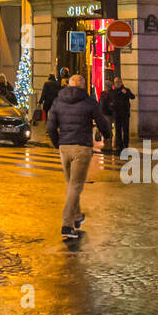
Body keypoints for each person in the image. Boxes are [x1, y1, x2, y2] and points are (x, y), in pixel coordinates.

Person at [47, 74, 99, 241]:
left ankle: (76, 215)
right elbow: (102, 121)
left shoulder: (58, 101)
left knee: (71, 185)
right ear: (83, 85)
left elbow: (50, 126)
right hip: (82, 147)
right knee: (75, 186)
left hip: (64, 147)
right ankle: (67, 225)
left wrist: (58, 144)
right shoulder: (89, 101)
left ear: (68, 85)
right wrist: (106, 135)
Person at [100, 75, 135, 155]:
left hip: (125, 114)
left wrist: (126, 93)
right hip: (116, 114)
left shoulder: (125, 90)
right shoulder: (113, 92)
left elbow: (133, 97)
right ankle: (119, 147)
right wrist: (111, 107)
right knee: (118, 131)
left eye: (118, 82)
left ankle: (126, 146)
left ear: (121, 82)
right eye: (116, 82)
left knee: (125, 131)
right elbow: (109, 101)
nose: (117, 83)